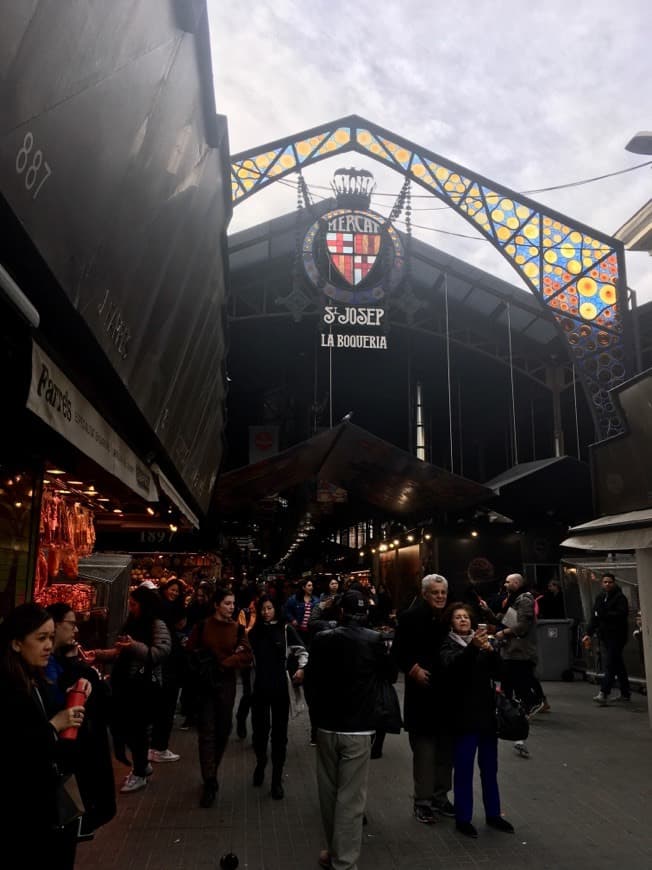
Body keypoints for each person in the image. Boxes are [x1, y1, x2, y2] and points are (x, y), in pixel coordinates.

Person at [307, 588, 396, 870]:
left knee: (328, 793)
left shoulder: (323, 640)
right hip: (358, 728)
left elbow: (311, 678)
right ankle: (344, 862)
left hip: (326, 725)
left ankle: (335, 852)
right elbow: (390, 675)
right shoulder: (375, 641)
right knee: (351, 798)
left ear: (341, 611)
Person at [0, 602, 89, 867]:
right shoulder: (8, 689)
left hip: (46, 806)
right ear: (16, 643)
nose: (49, 645)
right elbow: (18, 748)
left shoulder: (35, 678)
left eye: (50, 637)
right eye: (41, 638)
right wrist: (55, 725)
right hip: (24, 813)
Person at [440, 603, 514, 838]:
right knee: (463, 769)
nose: (463, 620)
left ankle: (493, 814)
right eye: (458, 617)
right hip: (463, 717)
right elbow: (454, 669)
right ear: (451, 622)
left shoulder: (484, 645)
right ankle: (463, 818)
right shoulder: (448, 645)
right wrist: (473, 648)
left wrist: (492, 652)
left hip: (486, 715)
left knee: (489, 768)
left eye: (466, 617)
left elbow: (501, 674)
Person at [90, 584, 171, 793]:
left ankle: (140, 771)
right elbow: (119, 651)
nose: (131, 608)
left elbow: (160, 652)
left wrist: (134, 646)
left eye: (134, 604)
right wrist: (97, 655)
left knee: (138, 730)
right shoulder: (131, 624)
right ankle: (142, 764)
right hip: (125, 684)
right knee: (126, 728)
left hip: (144, 686)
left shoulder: (156, 625)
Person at [45, 603, 116, 840]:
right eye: (72, 624)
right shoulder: (44, 671)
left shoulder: (63, 663)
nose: (76, 631)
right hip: (65, 761)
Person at [392, 573, 454, 823]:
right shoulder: (409, 617)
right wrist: (413, 668)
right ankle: (423, 801)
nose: (440, 596)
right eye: (435, 592)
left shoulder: (449, 617)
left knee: (445, 752)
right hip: (422, 695)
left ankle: (441, 797)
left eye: (443, 592)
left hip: (446, 695)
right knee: (425, 752)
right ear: (425, 593)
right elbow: (397, 651)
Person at [187, 586, 253, 808]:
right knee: (207, 732)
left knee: (224, 728)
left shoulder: (238, 629)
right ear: (216, 604)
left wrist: (226, 663)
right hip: (205, 686)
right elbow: (190, 651)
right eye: (227, 603)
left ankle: (212, 768)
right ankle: (210, 780)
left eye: (233, 604)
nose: (231, 608)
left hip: (226, 685)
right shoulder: (203, 626)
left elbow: (246, 655)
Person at [247, 594, 308, 799]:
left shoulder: (285, 629)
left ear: (276, 609)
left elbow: (302, 652)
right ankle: (261, 761)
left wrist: (301, 669)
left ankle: (276, 779)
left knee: (279, 736)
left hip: (281, 689)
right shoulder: (253, 633)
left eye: (269, 608)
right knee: (260, 732)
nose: (266, 612)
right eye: (262, 608)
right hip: (260, 689)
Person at [494, 573, 545, 757]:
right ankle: (514, 729)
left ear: (516, 583)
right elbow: (506, 620)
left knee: (517, 683)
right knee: (508, 686)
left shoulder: (524, 600)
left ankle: (532, 704)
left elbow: (522, 626)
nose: (505, 584)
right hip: (511, 651)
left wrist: (503, 633)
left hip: (519, 652)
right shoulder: (514, 599)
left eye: (508, 581)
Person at [150, 577, 187, 762]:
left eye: (177, 591)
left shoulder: (161, 608)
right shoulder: (164, 612)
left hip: (166, 666)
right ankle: (159, 748)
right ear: (165, 589)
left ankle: (155, 747)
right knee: (166, 707)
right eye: (172, 589)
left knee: (161, 707)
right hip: (167, 667)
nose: (174, 593)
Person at [582, 573, 631, 705]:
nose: (607, 584)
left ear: (614, 583)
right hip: (606, 636)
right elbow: (594, 617)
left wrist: (605, 614)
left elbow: (621, 614)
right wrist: (589, 633)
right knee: (618, 663)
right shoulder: (600, 597)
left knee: (610, 663)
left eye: (610, 582)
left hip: (617, 636)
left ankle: (604, 692)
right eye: (605, 582)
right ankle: (625, 693)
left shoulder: (620, 598)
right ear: (601, 583)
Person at [285, 578, 319, 648]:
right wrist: (292, 619)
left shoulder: (316, 600)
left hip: (311, 631)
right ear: (303, 587)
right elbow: (287, 610)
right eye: (309, 586)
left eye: (312, 586)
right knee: (301, 648)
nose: (311, 587)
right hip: (298, 630)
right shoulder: (294, 599)